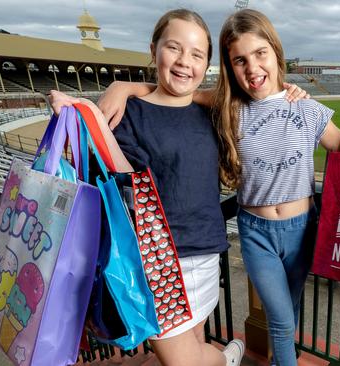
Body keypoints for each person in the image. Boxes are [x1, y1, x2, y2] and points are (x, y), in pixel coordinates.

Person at [97, 10, 340, 366]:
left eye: (260, 53)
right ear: (231, 68)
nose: (252, 68)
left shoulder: (306, 107)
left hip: (301, 230)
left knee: (288, 313)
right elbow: (174, 92)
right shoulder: (228, 106)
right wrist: (121, 86)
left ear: (275, 53)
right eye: (239, 60)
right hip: (255, 231)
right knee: (279, 319)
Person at [49, 9, 247, 366]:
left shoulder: (211, 111)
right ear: (153, 49)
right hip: (155, 263)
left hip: (204, 256)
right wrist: (85, 117)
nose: (185, 61)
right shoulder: (131, 114)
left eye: (197, 54)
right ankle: (228, 358)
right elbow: (126, 178)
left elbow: (245, 96)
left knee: (193, 342)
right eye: (174, 48)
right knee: (183, 361)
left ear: (206, 64)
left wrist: (124, 85)